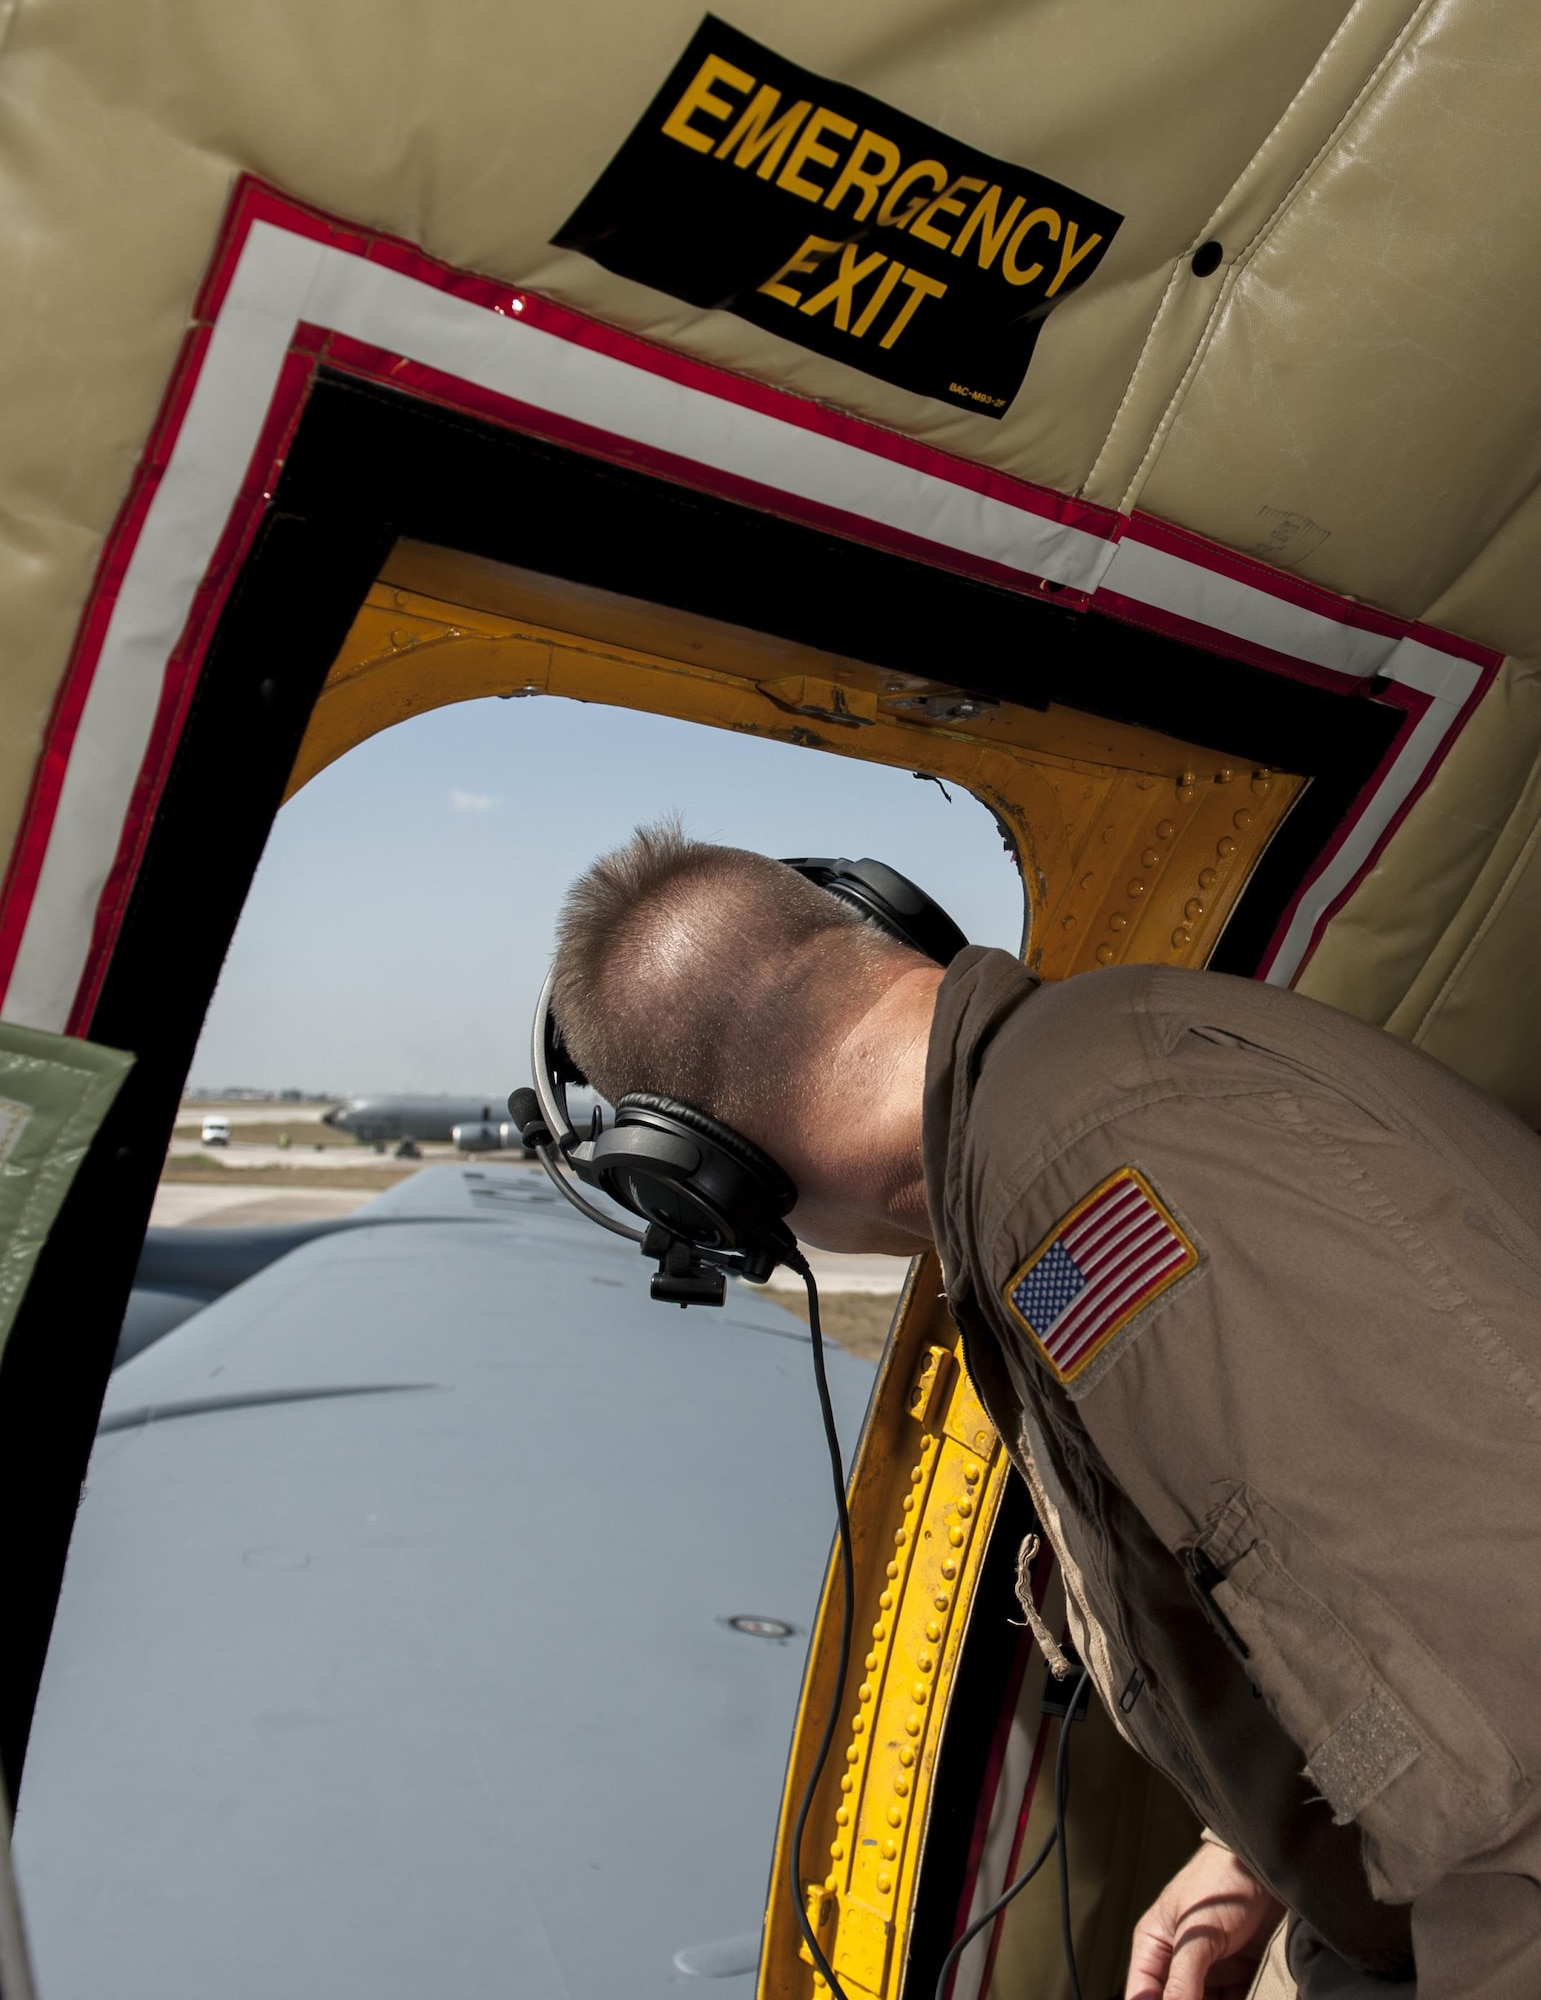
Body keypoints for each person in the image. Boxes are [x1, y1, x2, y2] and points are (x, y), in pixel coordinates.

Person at [550, 822, 1541, 2000]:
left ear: (704, 1170)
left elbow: (1507, 1703)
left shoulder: (1095, 1173)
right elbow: (1349, 1565)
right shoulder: (1053, 1156)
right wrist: (1263, 1848)